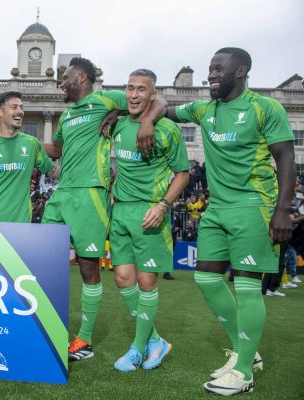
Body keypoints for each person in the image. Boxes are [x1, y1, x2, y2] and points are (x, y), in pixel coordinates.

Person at [142, 47, 295, 396]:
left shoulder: (264, 107)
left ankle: (243, 372)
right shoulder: (204, 108)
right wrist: (147, 120)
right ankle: (246, 351)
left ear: (240, 71)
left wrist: (283, 209)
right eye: (209, 69)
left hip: (254, 206)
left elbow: (286, 157)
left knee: (245, 286)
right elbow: (163, 106)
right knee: (207, 279)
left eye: (217, 69)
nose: (211, 75)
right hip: (216, 209)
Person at [42, 57, 157, 362]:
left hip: (91, 195)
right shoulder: (66, 116)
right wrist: (22, 140)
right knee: (41, 258)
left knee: (87, 268)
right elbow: (57, 151)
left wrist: (135, 117)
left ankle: (85, 340)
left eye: (64, 78)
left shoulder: (107, 98)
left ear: (80, 78)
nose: (61, 84)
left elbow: (155, 103)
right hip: (61, 194)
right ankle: (40, 329)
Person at [110, 69, 189, 372]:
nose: (133, 94)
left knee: (146, 281)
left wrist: (164, 205)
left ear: (152, 95)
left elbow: (183, 172)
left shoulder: (167, 128)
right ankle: (156, 340)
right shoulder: (115, 125)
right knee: (122, 279)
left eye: (142, 89)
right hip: (121, 214)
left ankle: (136, 348)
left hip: (150, 214)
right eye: (130, 87)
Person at [0, 91, 54, 222]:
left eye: (22, 107)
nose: (20, 111)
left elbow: (51, 171)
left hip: (21, 222)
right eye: (14, 107)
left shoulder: (32, 143)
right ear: (0, 112)